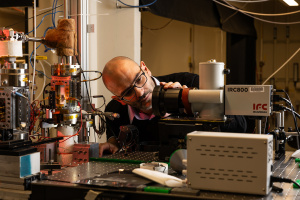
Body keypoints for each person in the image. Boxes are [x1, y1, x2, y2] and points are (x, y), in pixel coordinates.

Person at [99, 56, 246, 157]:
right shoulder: (114, 111)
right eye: (128, 91)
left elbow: (241, 125)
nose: (140, 92)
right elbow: (119, 144)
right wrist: (114, 145)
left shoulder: (192, 83)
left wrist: (191, 104)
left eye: (139, 79)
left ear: (146, 68)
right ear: (120, 99)